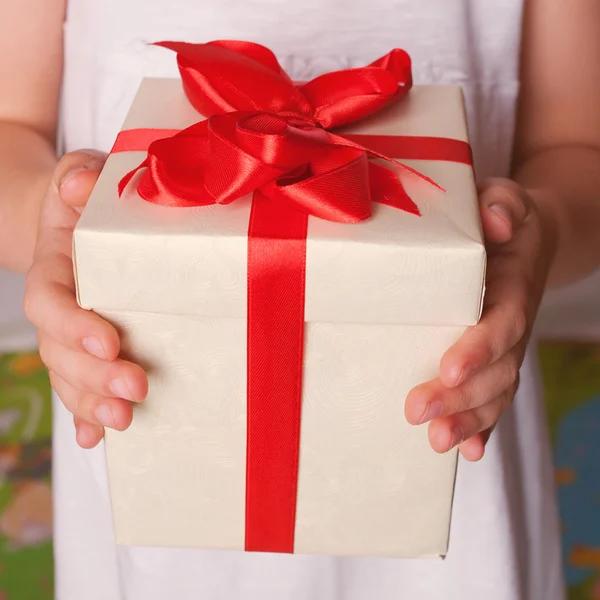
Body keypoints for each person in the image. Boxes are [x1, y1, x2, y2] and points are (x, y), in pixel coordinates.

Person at [1, 0, 599, 598]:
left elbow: (577, 151)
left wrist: (538, 234)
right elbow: (11, 127)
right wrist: (47, 223)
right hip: (138, 436)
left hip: (454, 441)